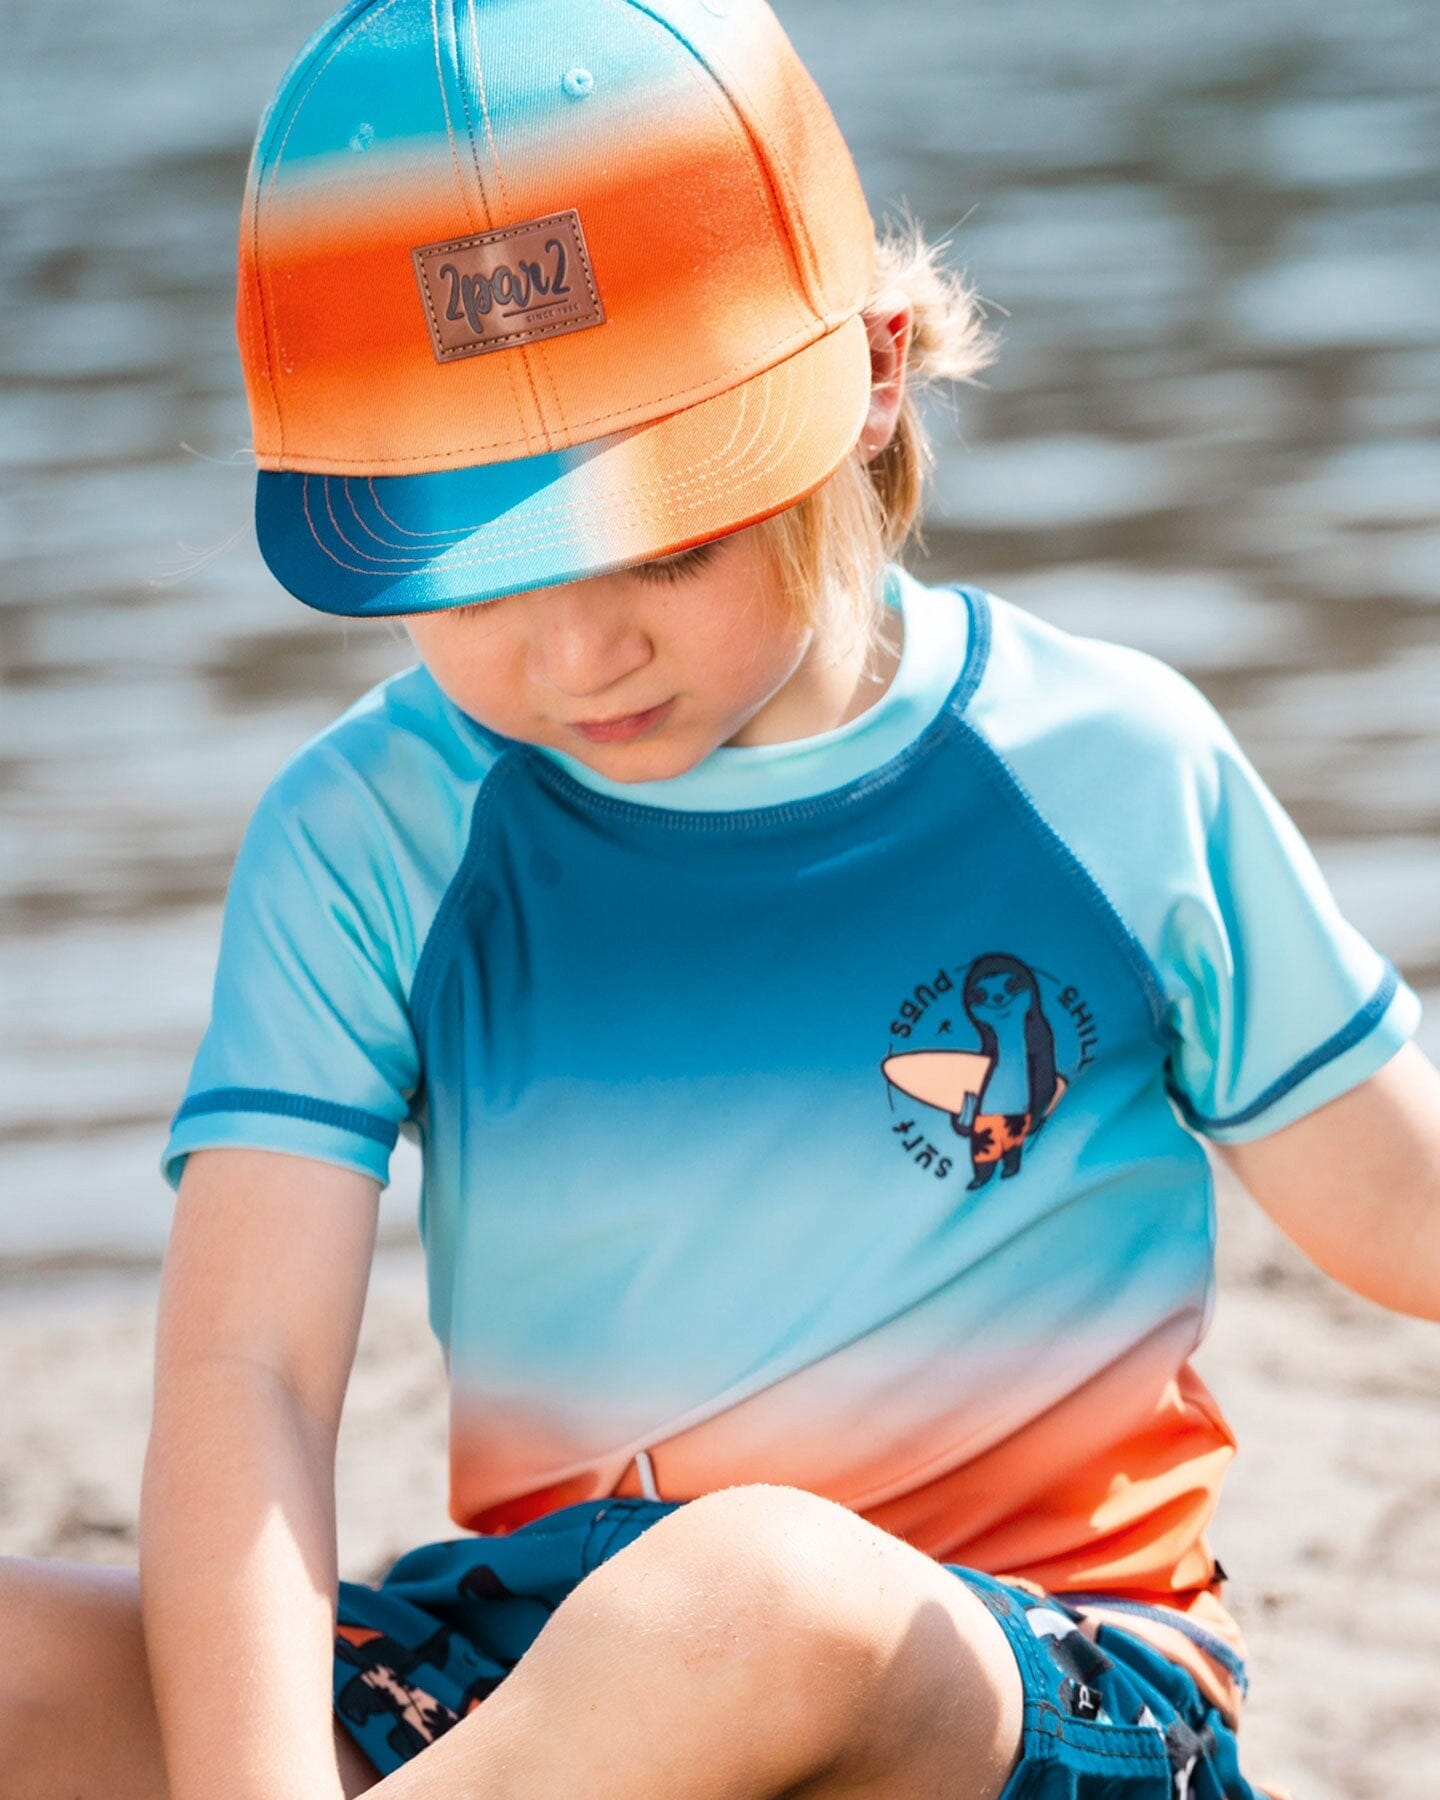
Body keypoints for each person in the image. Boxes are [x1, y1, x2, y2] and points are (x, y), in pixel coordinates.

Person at [5, 0, 1438, 1795]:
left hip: (1019, 1676)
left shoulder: (1106, 769)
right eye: (476, 573)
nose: (580, 646)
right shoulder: (374, 831)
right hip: (534, 1680)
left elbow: (1406, 1208)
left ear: (876, 377)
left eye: (668, 541)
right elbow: (250, 1379)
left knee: (750, 1591)